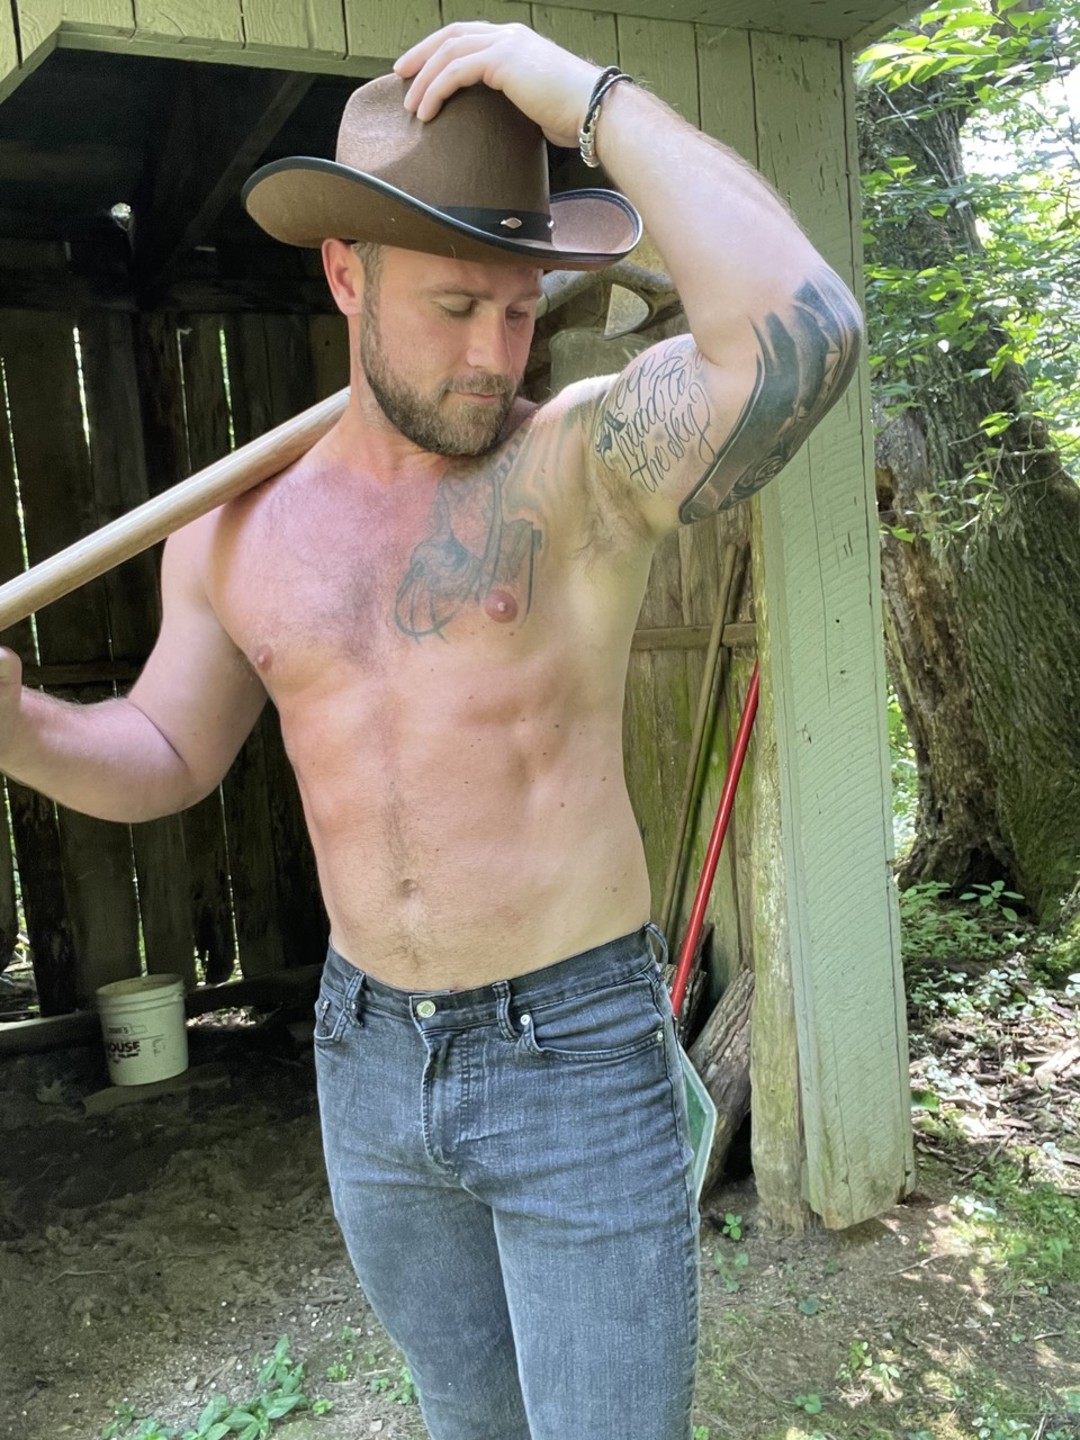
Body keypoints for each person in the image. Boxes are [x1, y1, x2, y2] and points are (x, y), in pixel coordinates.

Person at [0, 22, 861, 1440]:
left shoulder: (577, 465)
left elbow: (806, 330)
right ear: (347, 273)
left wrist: (586, 97)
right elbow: (166, 751)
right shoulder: (233, 533)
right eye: (456, 306)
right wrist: (19, 723)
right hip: (366, 1059)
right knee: (467, 1419)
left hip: (573, 1053)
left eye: (520, 309)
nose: (494, 354)